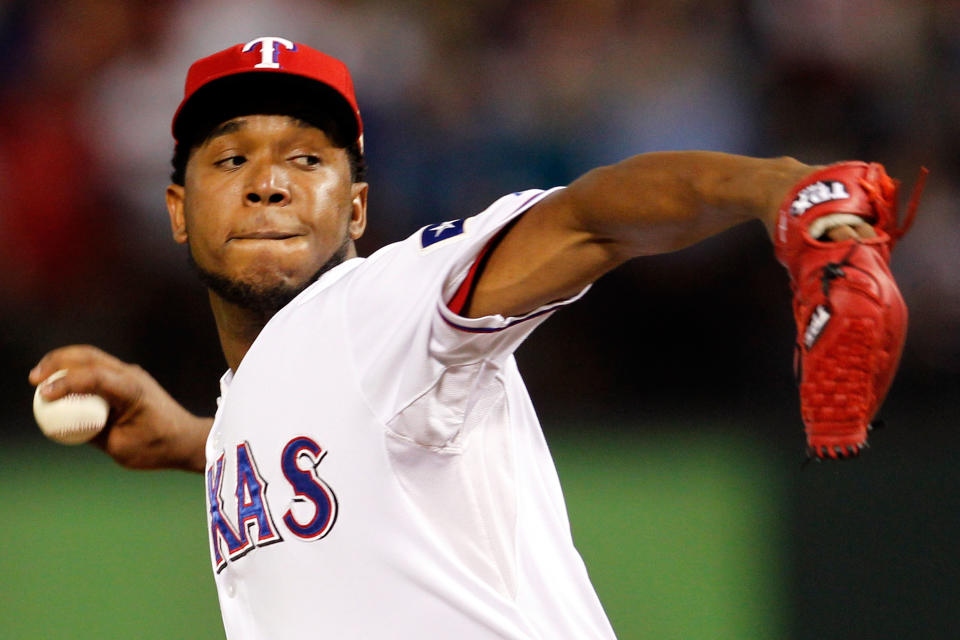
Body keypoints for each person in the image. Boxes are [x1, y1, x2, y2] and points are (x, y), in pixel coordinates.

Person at [29, 37, 878, 638]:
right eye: (230, 159)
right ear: (177, 211)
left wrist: (782, 189)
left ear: (356, 209)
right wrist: (200, 445)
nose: (268, 185)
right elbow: (342, 449)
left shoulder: (378, 306)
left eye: (306, 159)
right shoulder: (284, 381)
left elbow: (590, 220)